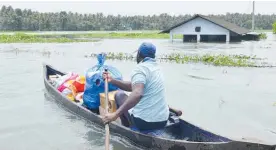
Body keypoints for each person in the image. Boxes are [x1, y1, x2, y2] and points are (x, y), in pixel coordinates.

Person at [101, 42, 182, 131]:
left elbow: (137, 93)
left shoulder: (140, 68)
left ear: (139, 54)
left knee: (119, 95)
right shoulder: (158, 68)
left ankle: (128, 129)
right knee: (130, 97)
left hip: (145, 122)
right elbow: (133, 87)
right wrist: (112, 80)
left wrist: (114, 115)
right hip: (163, 120)